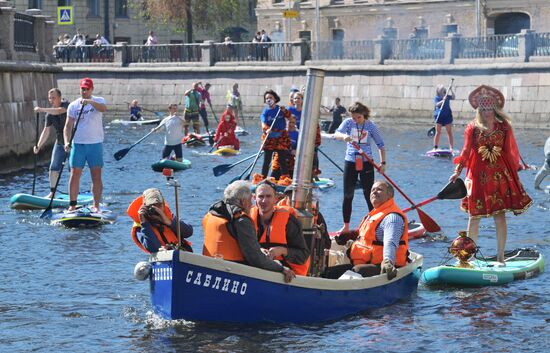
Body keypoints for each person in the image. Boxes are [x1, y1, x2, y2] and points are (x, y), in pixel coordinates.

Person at [450, 85, 532, 264]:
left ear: (495, 108)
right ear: (479, 109)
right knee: (474, 216)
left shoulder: (504, 127)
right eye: (484, 108)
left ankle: (501, 257)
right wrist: (457, 172)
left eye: (490, 108)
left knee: (500, 215)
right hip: (477, 176)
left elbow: (510, 151)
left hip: (499, 177)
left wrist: (515, 174)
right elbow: (465, 151)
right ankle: (468, 257)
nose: (487, 112)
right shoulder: (472, 128)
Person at [202, 180, 296, 283]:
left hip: (208, 269)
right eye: (250, 200)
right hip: (233, 273)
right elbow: (255, 258)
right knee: (276, 264)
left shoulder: (211, 214)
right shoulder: (242, 220)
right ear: (243, 201)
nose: (252, 205)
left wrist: (259, 249)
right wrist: (281, 268)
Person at [325, 180, 409, 280]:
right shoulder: (375, 214)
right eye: (373, 190)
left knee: (356, 271)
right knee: (328, 273)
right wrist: (351, 235)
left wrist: (387, 261)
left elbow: (390, 242)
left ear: (389, 196)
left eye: (379, 189)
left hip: (383, 266)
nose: (374, 192)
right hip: (365, 262)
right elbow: (366, 236)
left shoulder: (392, 218)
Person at [334, 102, 386, 234]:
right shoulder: (348, 123)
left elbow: (381, 145)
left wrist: (383, 163)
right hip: (350, 161)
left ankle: (373, 225)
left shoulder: (371, 126)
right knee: (348, 195)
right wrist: (343, 136)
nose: (356, 120)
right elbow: (336, 134)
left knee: (369, 194)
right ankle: (346, 226)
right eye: (354, 117)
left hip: (366, 162)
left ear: (364, 115)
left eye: (359, 117)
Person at [64, 77, 107, 212]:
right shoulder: (73, 105)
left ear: (92, 89)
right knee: (74, 173)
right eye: (83, 89)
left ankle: (96, 205)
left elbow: (103, 109)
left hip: (95, 144)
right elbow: (67, 126)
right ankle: (72, 205)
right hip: (78, 145)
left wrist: (89, 102)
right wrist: (66, 142)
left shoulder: (98, 101)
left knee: (96, 175)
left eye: (87, 89)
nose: (84, 91)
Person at [249, 181, 310, 276]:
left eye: (268, 196)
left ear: (275, 199)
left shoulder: (289, 221)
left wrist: (282, 251)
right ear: (254, 198)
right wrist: (258, 250)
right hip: (258, 268)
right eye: (261, 196)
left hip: (288, 274)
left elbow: (303, 256)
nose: (264, 201)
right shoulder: (247, 219)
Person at [128, 188, 193, 253]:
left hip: (182, 254)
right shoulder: (140, 227)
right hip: (162, 259)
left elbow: (189, 232)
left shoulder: (168, 217)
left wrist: (169, 222)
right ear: (144, 207)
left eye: (159, 205)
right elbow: (153, 248)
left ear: (163, 205)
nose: (156, 209)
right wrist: (144, 223)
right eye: (152, 206)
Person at [33, 88, 70, 198]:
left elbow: (59, 111)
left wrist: (42, 109)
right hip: (59, 143)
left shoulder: (67, 105)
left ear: (59, 97)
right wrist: (38, 146)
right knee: (53, 167)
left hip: (72, 143)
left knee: (72, 168)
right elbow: (46, 131)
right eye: (50, 98)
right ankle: (52, 193)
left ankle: (73, 193)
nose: (51, 100)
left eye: (53, 98)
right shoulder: (49, 115)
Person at [253, 90, 292, 185]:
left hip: (281, 138)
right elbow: (263, 122)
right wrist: (266, 129)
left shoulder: (280, 109)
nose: (268, 100)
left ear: (275, 99)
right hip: (269, 138)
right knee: (267, 161)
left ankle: (285, 180)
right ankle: (263, 180)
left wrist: (285, 111)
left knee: (282, 160)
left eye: (270, 98)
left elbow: (289, 116)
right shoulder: (266, 111)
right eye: (266, 98)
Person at [433, 84, 455, 151]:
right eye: (441, 89)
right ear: (438, 90)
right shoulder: (437, 97)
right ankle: (435, 147)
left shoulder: (447, 96)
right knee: (438, 132)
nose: (442, 90)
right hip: (439, 116)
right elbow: (436, 104)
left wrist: (451, 90)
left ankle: (451, 148)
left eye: (443, 89)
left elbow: (453, 97)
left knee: (449, 132)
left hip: (447, 116)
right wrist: (443, 100)